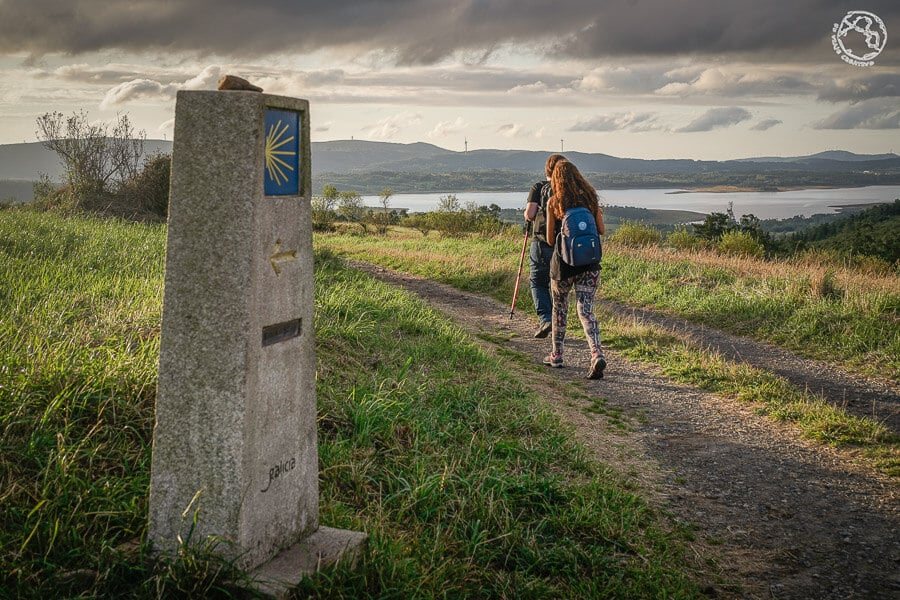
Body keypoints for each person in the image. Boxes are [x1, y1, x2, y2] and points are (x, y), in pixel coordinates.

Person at [543, 160, 607, 379]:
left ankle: (557, 355)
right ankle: (596, 353)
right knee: (586, 309)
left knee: (559, 308)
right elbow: (601, 230)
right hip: (589, 263)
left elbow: (551, 239)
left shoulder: (554, 202)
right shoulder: (590, 199)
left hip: (563, 265)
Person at [523, 153, 566, 338]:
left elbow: (530, 214)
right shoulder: (568, 189)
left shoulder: (539, 187)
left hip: (541, 242)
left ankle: (546, 319)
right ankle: (559, 323)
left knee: (538, 282)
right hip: (564, 244)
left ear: (547, 169)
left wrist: (528, 216)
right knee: (558, 284)